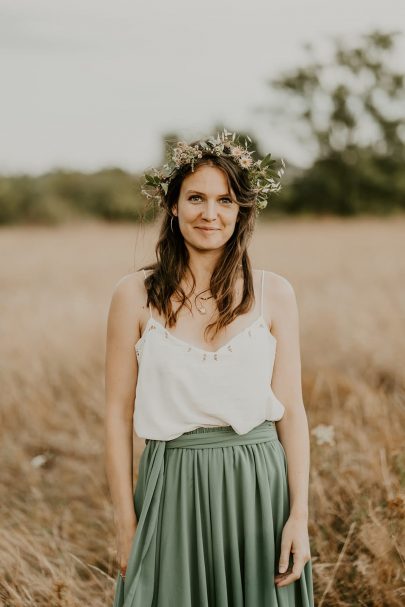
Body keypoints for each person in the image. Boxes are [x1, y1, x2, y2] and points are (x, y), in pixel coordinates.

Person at [104, 130, 315, 606]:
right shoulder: (132, 295)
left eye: (225, 200)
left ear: (241, 209)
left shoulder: (275, 293)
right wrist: (124, 522)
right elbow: (116, 416)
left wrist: (298, 516)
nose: (210, 213)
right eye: (196, 197)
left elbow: (293, 412)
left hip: (258, 485)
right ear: (173, 205)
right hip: (171, 485)